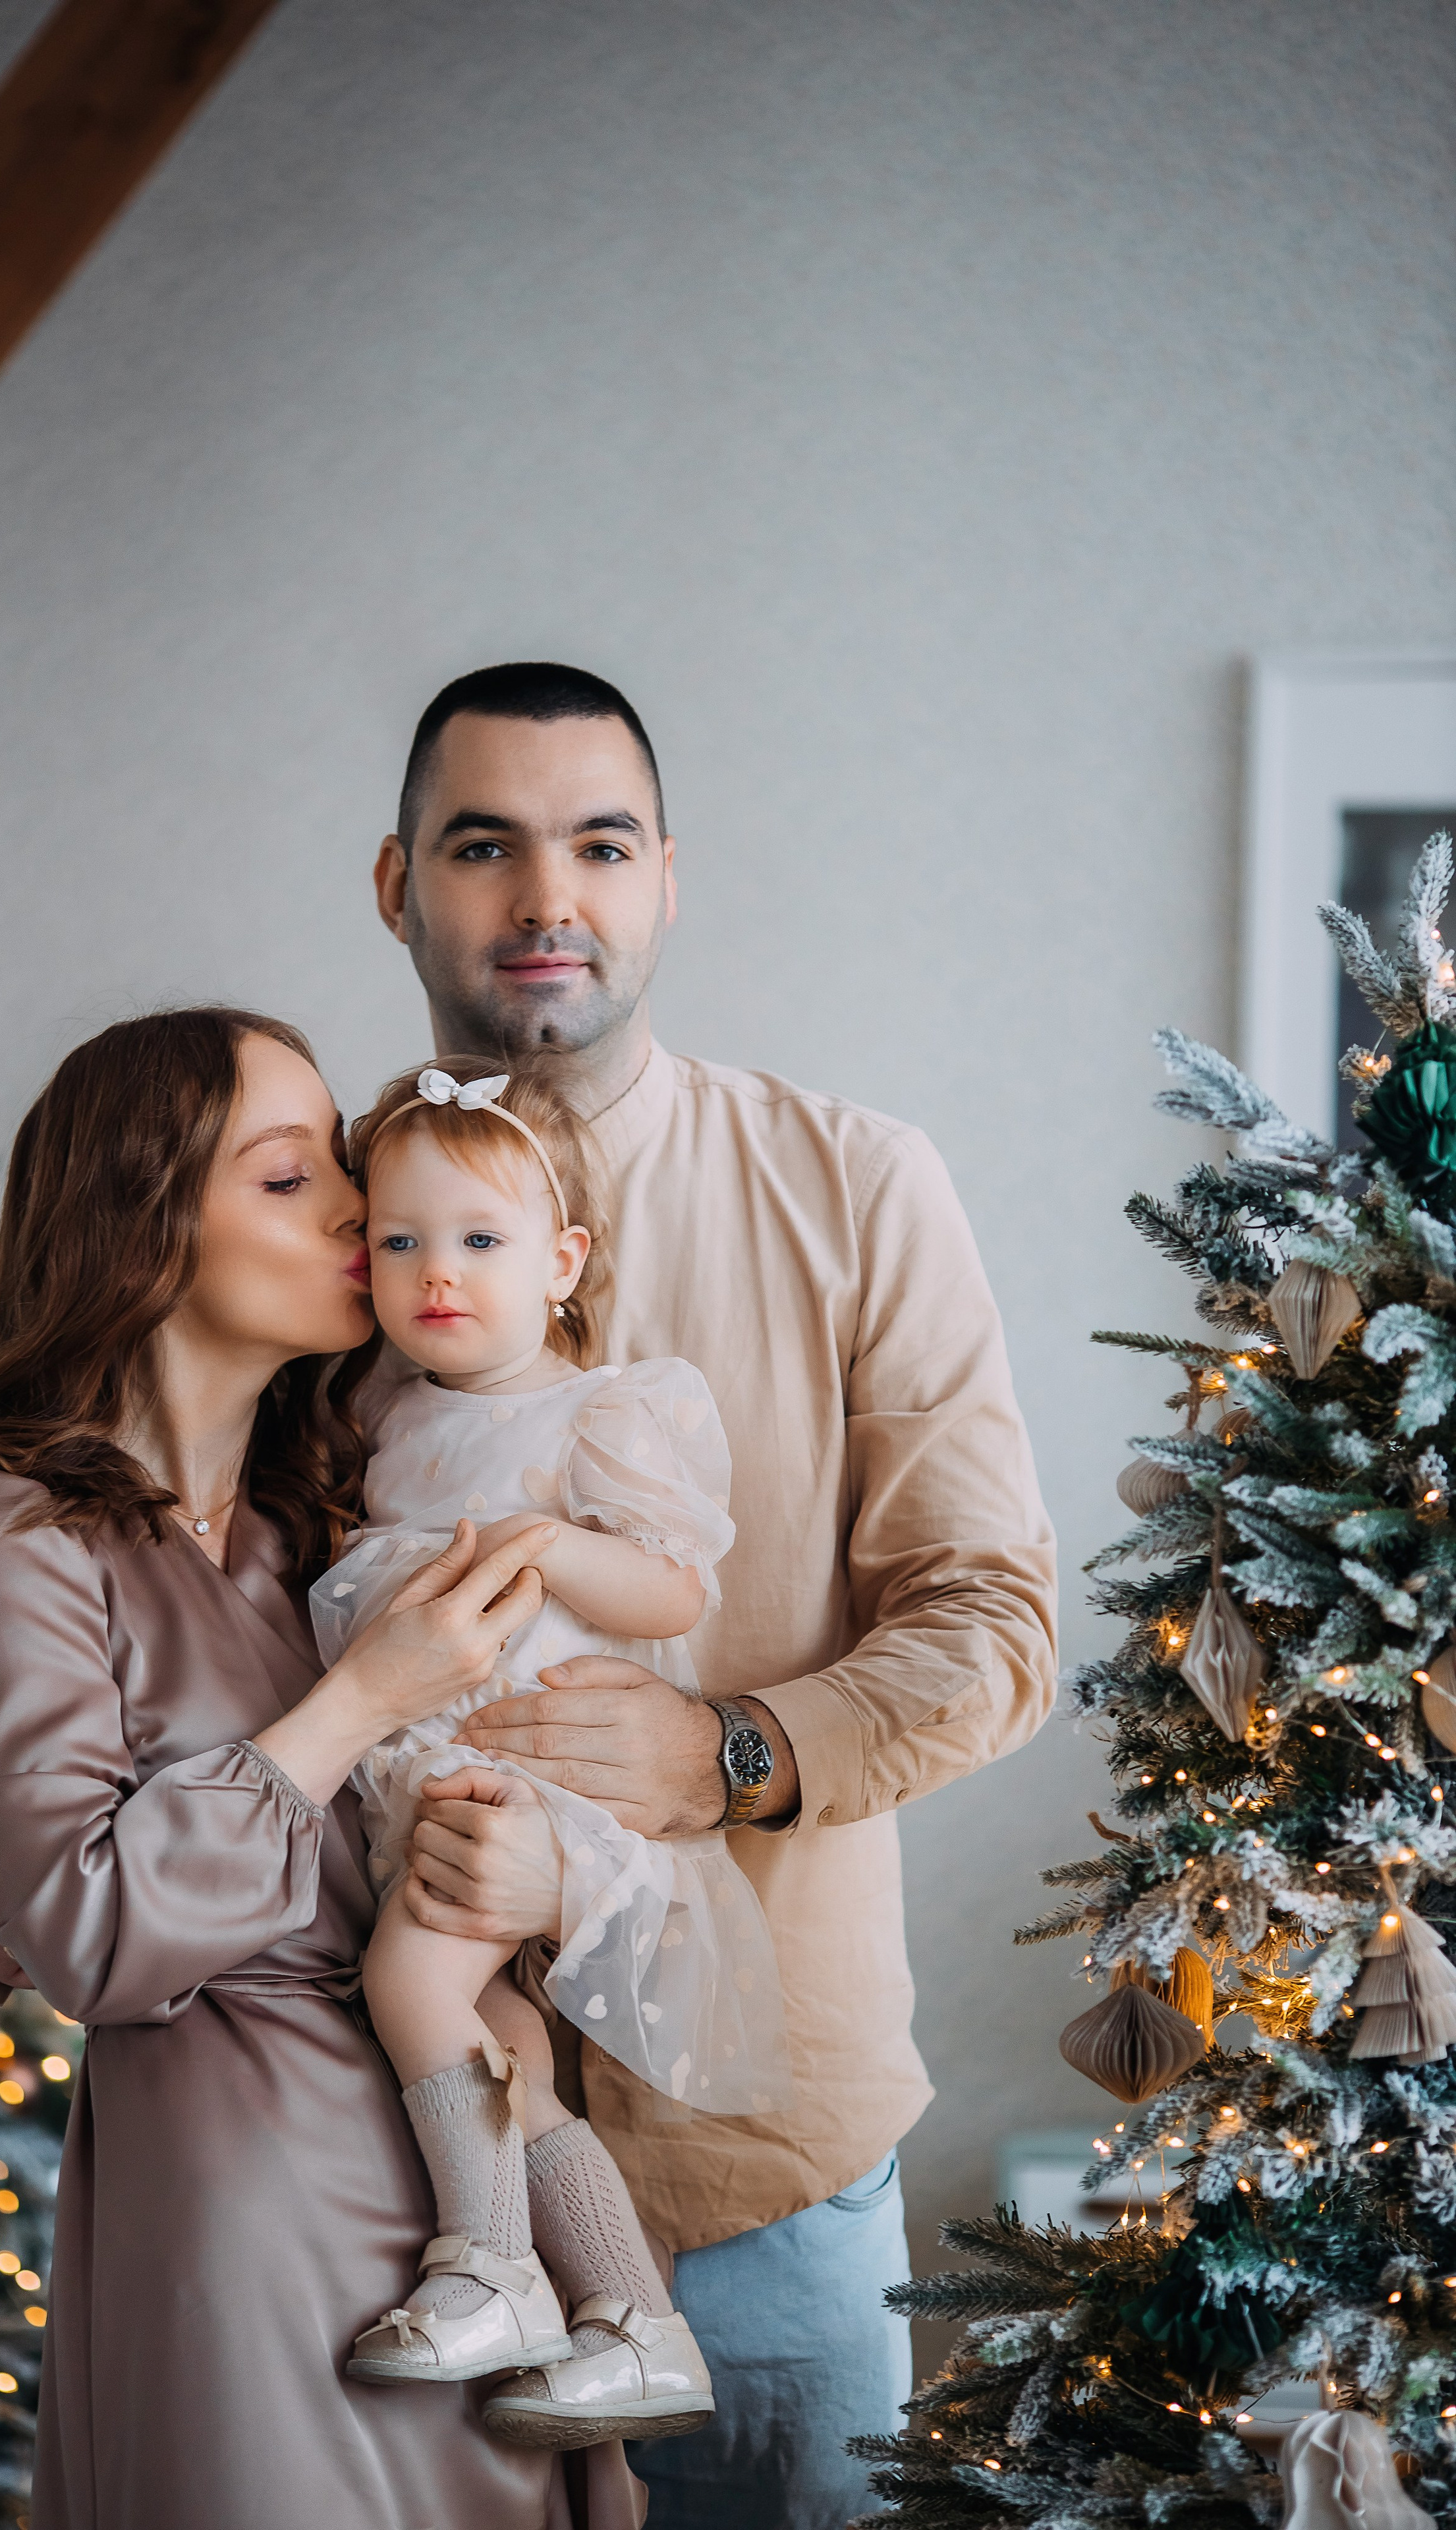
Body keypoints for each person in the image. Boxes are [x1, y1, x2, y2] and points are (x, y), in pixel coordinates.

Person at [370, 663, 1061, 2530]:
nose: (546, 900)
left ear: (667, 878)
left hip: (776, 2186)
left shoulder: (857, 1187)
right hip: (409, 2199)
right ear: (397, 885)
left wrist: (728, 1747)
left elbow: (999, 1621)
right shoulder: (317, 1217)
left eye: (598, 844)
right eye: (484, 846)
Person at [0, 1009, 642, 2530]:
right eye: (290, 1182)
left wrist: (545, 1869)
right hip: (243, 2196)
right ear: (143, 1229)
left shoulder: (323, 1525)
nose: (360, 1214)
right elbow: (90, 1937)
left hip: (467, 2186)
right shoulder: (2, 1529)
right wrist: (357, 1703)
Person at [318, 1056, 781, 2446]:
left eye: (476, 1240)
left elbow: (677, 1593)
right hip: (434, 1778)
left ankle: (487, 2267)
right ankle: (638, 2326)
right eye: (396, 1242)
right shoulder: (390, 1418)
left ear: (562, 1259)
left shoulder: (600, 1412)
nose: (432, 1274)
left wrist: (557, 1544)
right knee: (504, 2041)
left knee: (405, 1978)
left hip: (536, 1779)